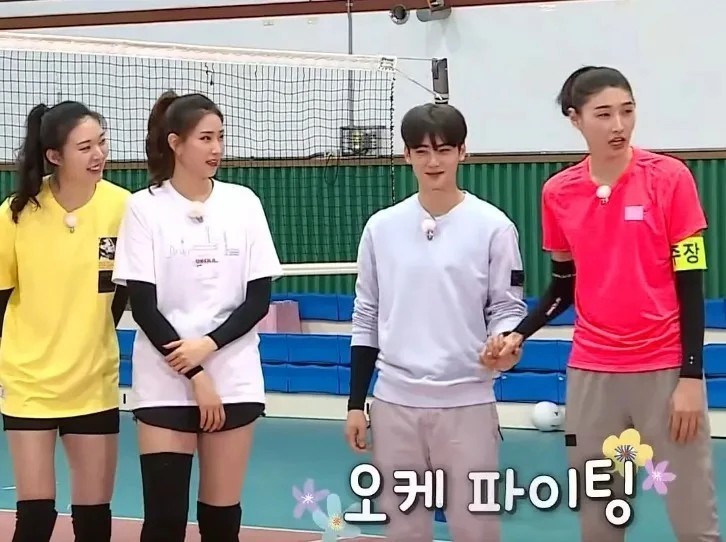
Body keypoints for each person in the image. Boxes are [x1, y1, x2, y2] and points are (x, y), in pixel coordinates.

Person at [482, 66, 721, 541]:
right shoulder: (558, 193)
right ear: (576, 119)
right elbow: (562, 288)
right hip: (592, 374)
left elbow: (691, 282)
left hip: (665, 371)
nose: (619, 125)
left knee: (695, 521)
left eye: (627, 111)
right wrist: (518, 334)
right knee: (599, 521)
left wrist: (692, 376)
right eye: (604, 114)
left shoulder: (671, 178)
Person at [344, 103, 527, 542]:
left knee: (476, 529)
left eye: (444, 150)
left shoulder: (494, 227)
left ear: (462, 152)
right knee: (403, 529)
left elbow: (507, 306)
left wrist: (503, 341)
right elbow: (366, 315)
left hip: (467, 404)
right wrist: (355, 403)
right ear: (407, 155)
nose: (433, 162)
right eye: (422, 151)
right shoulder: (381, 228)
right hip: (394, 403)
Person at [111, 90, 282, 542]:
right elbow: (144, 306)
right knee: (164, 521)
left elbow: (258, 300)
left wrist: (207, 347)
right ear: (176, 143)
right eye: (205, 138)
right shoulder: (143, 208)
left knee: (221, 520)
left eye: (220, 137)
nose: (216, 148)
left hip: (234, 376)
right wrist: (195, 373)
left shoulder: (244, 203)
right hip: (165, 380)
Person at [0, 101, 130, 542]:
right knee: (35, 518)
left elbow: (120, 294)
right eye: (85, 147)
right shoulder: (16, 213)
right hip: (29, 384)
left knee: (93, 520)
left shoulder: (123, 207)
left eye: (102, 143)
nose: (99, 154)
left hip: (93, 382)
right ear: (54, 155)